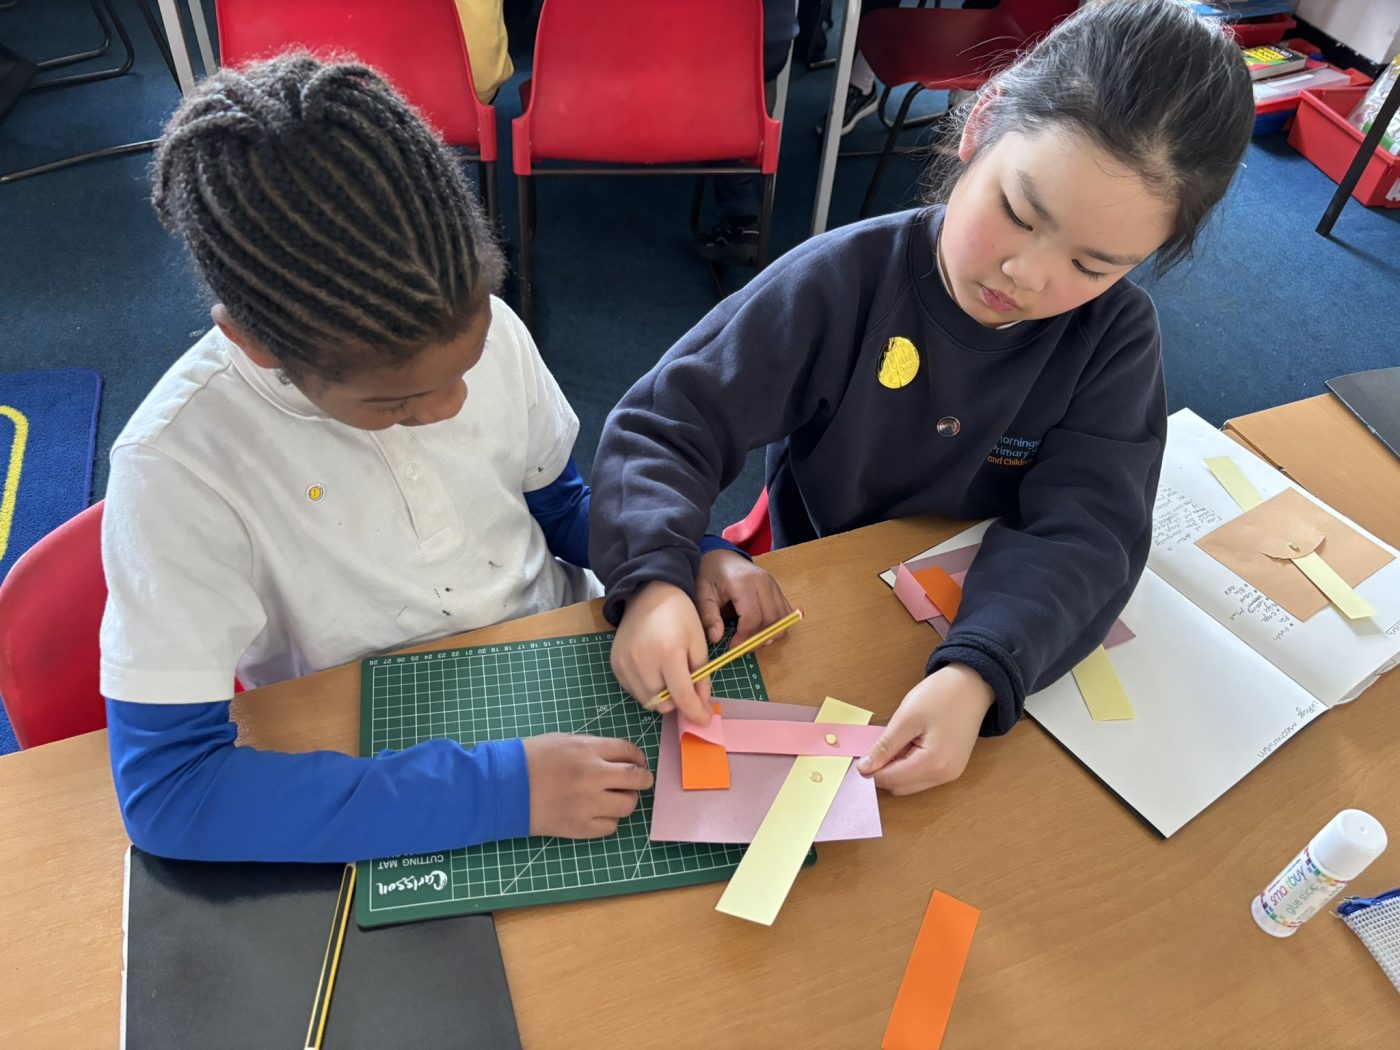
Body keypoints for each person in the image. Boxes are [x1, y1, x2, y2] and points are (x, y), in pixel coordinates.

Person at [99, 54, 753, 863]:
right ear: (256, 344)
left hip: (561, 648)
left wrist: (675, 557)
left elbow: (557, 503)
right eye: (397, 404)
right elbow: (171, 793)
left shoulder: (479, 321)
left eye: (467, 365)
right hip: (375, 754)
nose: (451, 407)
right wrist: (498, 792)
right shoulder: (176, 471)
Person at [592, 0, 1255, 794]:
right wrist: (654, 577)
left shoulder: (1113, 337)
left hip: (974, 619)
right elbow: (666, 425)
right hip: (818, 588)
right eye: (1019, 213)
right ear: (980, 123)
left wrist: (980, 671)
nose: (1028, 276)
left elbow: (1089, 530)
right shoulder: (839, 282)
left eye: (1093, 265)